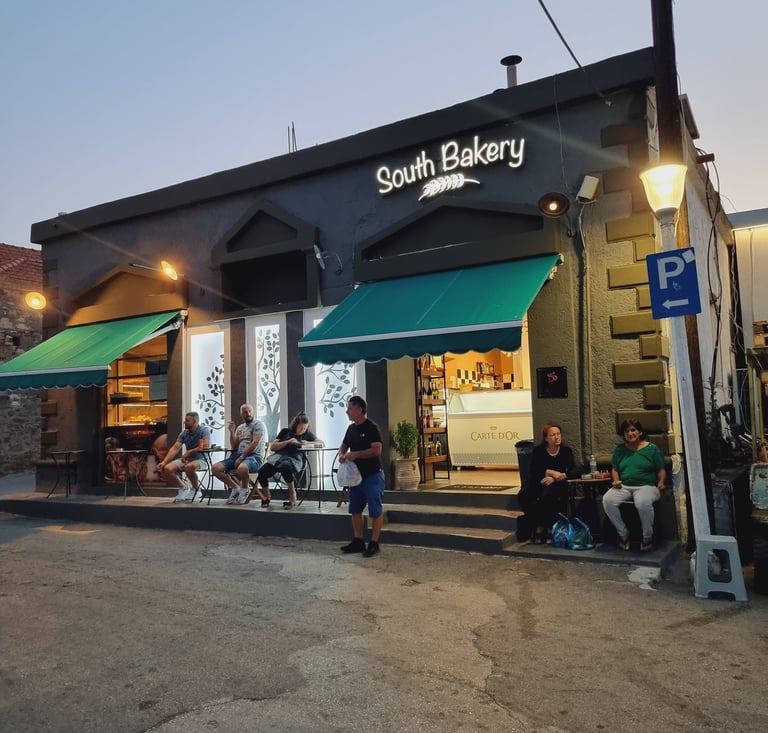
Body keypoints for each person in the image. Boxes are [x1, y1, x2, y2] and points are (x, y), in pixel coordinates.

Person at [602, 419, 666, 552]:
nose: (630, 433)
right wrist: (616, 480)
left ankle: (647, 537)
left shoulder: (652, 449)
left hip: (647, 486)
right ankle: (623, 534)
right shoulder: (620, 450)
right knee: (608, 500)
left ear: (640, 432)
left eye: (633, 430)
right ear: (623, 435)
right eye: (627, 431)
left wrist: (661, 482)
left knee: (642, 502)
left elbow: (661, 469)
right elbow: (614, 469)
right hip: (624, 486)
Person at [338, 396, 385, 558]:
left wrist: (356, 454)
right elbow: (343, 446)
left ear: (359, 409)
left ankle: (374, 542)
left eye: (350, 408)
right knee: (355, 509)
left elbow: (377, 450)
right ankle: (358, 540)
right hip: (355, 477)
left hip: (372, 475)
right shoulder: (351, 429)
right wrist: (342, 454)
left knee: (375, 509)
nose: (347, 411)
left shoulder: (372, 427)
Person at [517, 423, 576, 544]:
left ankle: (547, 527)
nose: (556, 437)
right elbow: (534, 471)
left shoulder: (566, 451)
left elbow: (574, 470)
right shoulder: (539, 451)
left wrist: (555, 477)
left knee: (548, 494)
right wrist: (550, 472)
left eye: (558, 434)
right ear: (546, 438)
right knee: (524, 495)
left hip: (559, 485)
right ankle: (537, 524)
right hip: (540, 483)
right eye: (552, 435)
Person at [256, 411, 322, 509]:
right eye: (300, 427)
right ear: (295, 425)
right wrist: (288, 442)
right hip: (277, 458)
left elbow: (321, 443)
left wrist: (307, 443)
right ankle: (267, 495)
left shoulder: (307, 435)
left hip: (295, 459)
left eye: (304, 428)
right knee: (261, 471)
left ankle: (292, 493)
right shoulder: (285, 432)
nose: (302, 430)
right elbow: (273, 447)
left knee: (285, 466)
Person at [212, 403, 267, 505]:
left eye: (250, 411)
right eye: (245, 412)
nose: (248, 414)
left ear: (253, 411)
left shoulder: (258, 424)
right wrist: (232, 432)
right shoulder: (240, 428)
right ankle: (235, 487)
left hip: (254, 457)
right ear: (241, 414)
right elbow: (234, 446)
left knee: (242, 468)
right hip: (237, 456)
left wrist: (242, 457)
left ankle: (245, 489)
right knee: (215, 468)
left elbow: (255, 442)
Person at [156, 412, 211, 502]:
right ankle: (183, 488)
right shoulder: (184, 433)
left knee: (189, 467)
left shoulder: (204, 430)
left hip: (202, 459)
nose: (184, 422)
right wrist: (164, 462)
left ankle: (196, 489)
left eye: (187, 420)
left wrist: (189, 452)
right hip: (187, 460)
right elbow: (175, 448)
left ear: (195, 421)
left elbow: (205, 445)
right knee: (167, 468)